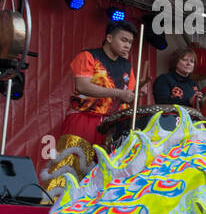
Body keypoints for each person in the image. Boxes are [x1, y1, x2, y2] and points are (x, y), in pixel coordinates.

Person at [41, 21, 138, 195]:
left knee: (103, 173)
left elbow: (128, 94)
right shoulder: (88, 56)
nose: (127, 45)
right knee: (69, 165)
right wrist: (119, 93)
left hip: (111, 125)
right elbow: (83, 86)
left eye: (130, 42)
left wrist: (132, 95)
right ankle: (51, 207)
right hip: (83, 118)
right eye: (124, 40)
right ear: (109, 38)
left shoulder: (127, 66)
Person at [151, 47, 202, 130]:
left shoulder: (194, 85)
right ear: (175, 62)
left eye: (192, 61)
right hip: (168, 123)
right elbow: (162, 102)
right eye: (185, 60)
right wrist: (189, 101)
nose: (188, 63)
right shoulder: (164, 79)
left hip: (191, 125)